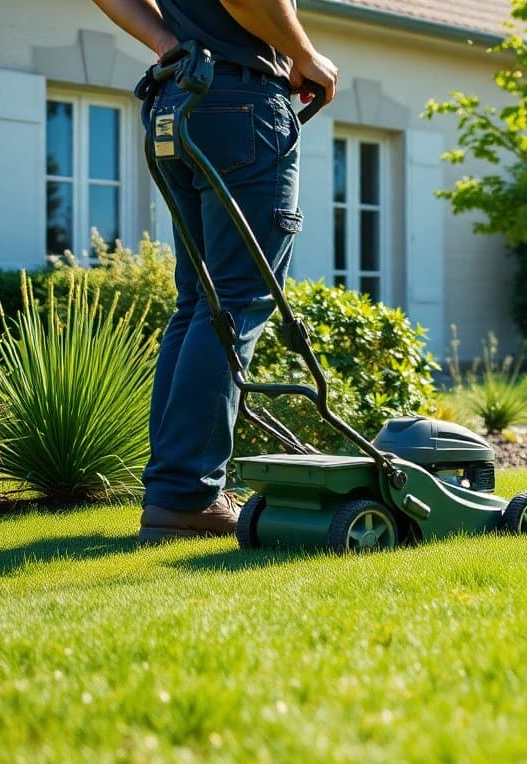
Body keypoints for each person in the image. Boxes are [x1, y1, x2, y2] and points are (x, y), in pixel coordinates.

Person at [90, 0, 338, 542]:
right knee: (233, 300)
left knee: (199, 304)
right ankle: (187, 495)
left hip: (177, 97)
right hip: (239, 101)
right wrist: (304, 54)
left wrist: (166, 43)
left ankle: (174, 491)